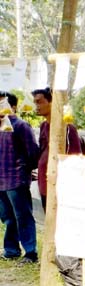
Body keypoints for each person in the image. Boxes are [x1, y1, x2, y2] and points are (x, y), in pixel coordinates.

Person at [0, 91, 40, 264]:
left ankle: (30, 253)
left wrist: (24, 171)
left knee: (23, 216)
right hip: (1, 182)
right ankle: (11, 250)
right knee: (8, 218)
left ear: (13, 106)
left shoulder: (21, 126)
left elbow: (33, 152)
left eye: (3, 104)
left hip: (16, 180)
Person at [32, 87, 84, 211]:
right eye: (35, 103)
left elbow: (75, 159)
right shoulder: (43, 126)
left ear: (51, 102)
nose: (36, 106)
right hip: (44, 184)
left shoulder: (67, 128)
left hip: (61, 187)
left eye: (39, 102)